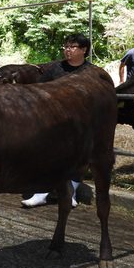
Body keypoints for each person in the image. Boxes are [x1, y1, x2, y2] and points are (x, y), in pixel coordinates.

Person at [21, 33, 90, 209]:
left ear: (83, 50)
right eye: (66, 46)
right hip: (53, 122)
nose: (68, 50)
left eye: (72, 47)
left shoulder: (90, 72)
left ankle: (70, 192)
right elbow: (38, 89)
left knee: (79, 159)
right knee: (48, 156)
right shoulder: (55, 69)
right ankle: (41, 192)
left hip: (80, 123)